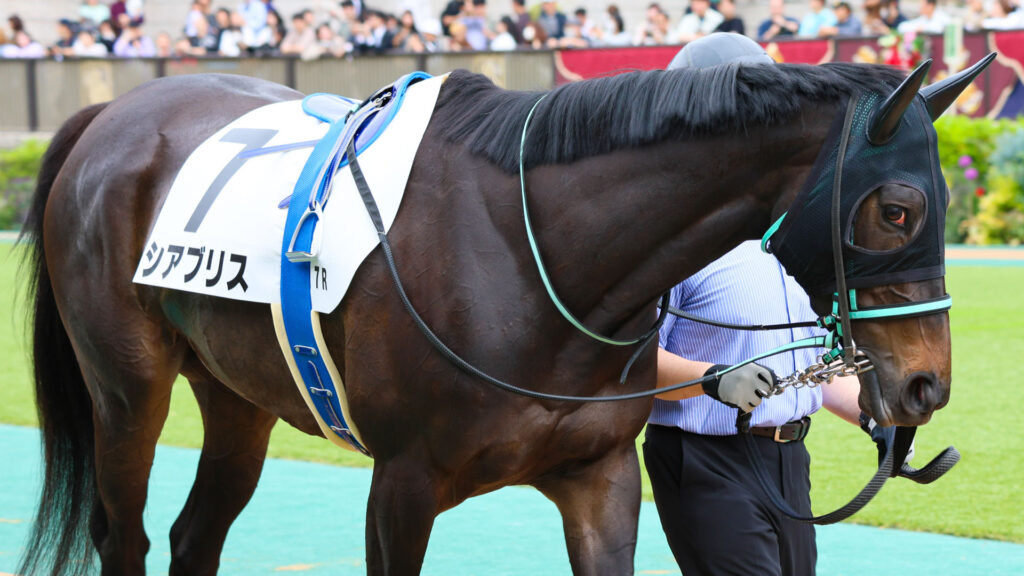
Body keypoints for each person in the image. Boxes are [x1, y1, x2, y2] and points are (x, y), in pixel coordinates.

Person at [643, 33, 908, 576]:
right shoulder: (670, 237)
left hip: (790, 457)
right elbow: (628, 365)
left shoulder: (792, 230)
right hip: (702, 460)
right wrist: (714, 378)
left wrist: (871, 414)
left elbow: (802, 363)